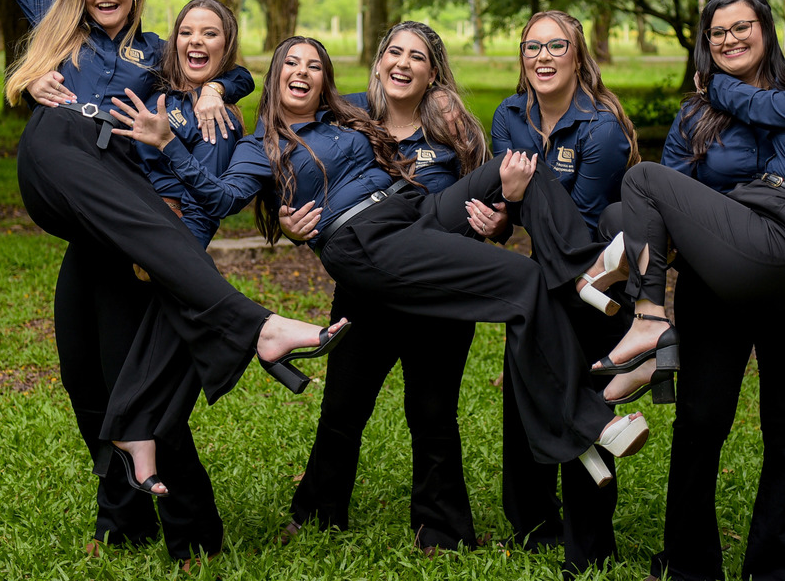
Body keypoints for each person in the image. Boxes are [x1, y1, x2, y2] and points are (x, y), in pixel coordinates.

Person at [0, 0, 347, 559]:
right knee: (83, 373)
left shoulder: (156, 55)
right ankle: (251, 330)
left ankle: (168, 531)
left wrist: (217, 88)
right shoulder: (58, 31)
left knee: (106, 384)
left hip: (121, 219)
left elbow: (228, 66)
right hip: (70, 189)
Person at [103, 35, 650, 488]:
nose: (302, 72)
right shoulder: (260, 145)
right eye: (291, 63)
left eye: (313, 65)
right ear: (276, 78)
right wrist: (171, 143)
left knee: (519, 164)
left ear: (325, 80)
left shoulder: (345, 117)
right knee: (524, 281)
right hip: (362, 239)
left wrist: (447, 110)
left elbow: (410, 97)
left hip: (415, 210)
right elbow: (221, 199)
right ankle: (586, 422)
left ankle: (582, 268)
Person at [597, 0, 785, 580]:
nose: (729, 40)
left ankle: (783, 567)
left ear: (766, 30)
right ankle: (689, 564)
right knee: (702, 422)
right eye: (717, 32)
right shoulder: (696, 114)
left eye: (741, 27)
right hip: (716, 284)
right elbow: (665, 203)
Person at [277, 22, 490, 554]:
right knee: (342, 408)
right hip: (365, 294)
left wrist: (496, 221)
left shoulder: (453, 131)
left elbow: (487, 208)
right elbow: (287, 129)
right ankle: (317, 513)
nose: (402, 63)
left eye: (417, 57)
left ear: (432, 74)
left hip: (438, 297)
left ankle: (441, 529)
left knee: (433, 413)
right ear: (378, 62)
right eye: (394, 52)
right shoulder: (344, 116)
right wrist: (290, 223)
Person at [478, 11, 640, 577]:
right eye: (532, 47)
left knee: (580, 381)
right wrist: (498, 216)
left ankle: (590, 546)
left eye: (556, 46)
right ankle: (533, 527)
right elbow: (508, 205)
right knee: (523, 401)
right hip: (549, 278)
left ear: (577, 56)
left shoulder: (602, 127)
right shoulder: (508, 114)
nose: (542, 57)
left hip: (599, 279)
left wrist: (516, 197)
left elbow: (585, 224)